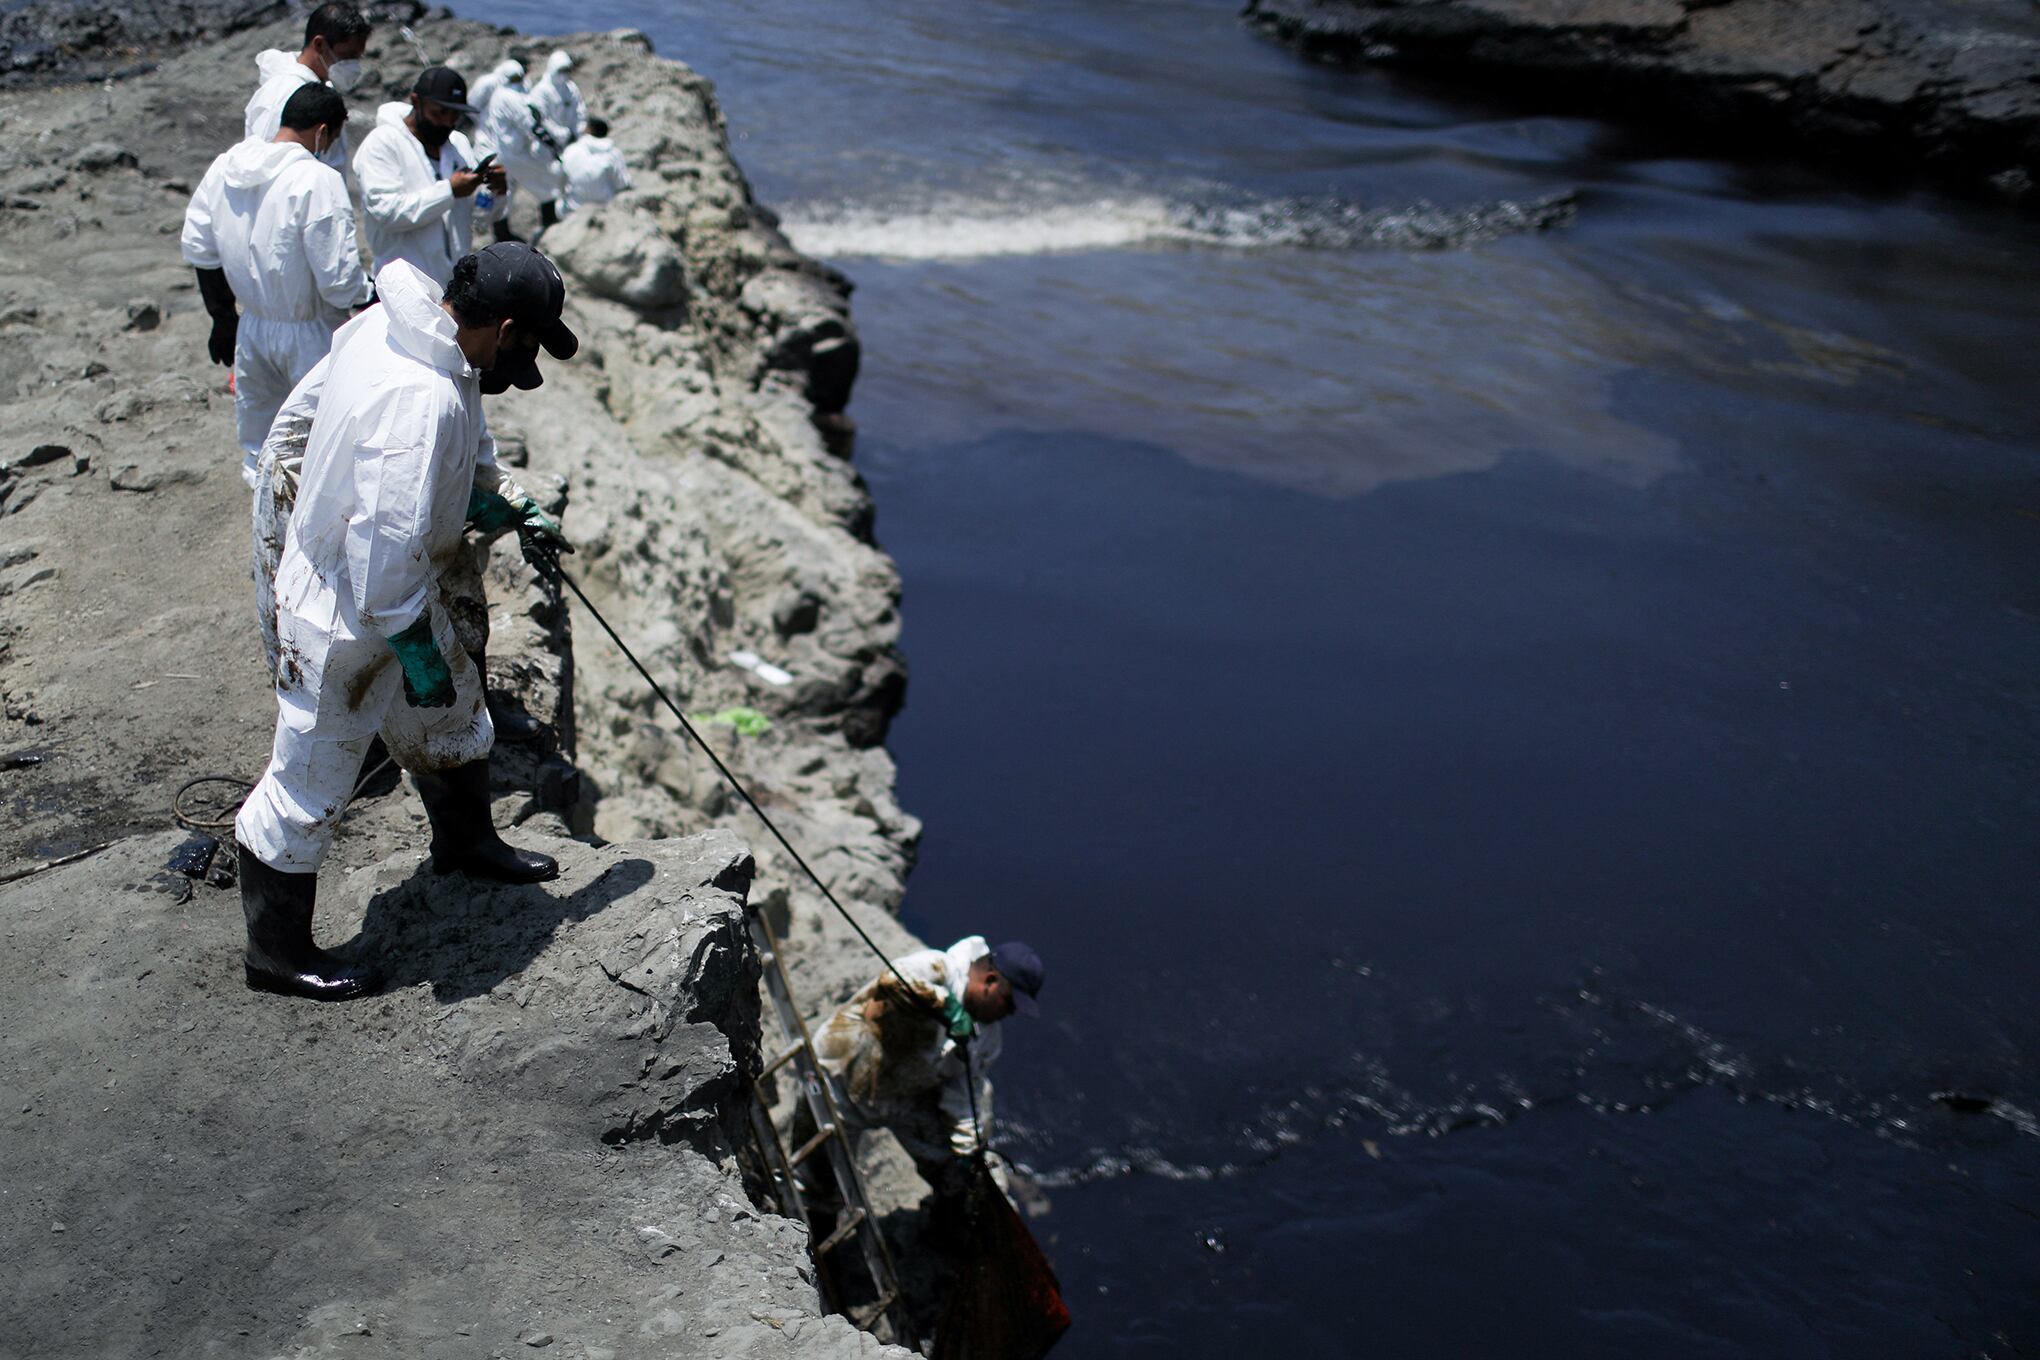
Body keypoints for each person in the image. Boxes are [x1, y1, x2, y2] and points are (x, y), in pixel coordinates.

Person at [232, 243, 578, 1001]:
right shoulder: (417, 397)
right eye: (526, 344)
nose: (524, 364)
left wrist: (503, 499)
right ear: (507, 324)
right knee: (308, 783)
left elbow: (450, 455)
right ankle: (277, 954)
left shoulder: (406, 333)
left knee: (454, 716)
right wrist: (415, 649)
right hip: (346, 617)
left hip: (393, 597)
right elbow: (384, 550)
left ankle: (466, 843)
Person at [251, 346, 550, 741]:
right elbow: (387, 519)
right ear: (503, 333)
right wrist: (413, 643)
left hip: (383, 487)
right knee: (337, 634)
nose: (505, 383)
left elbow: (470, 446)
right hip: (313, 482)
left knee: (458, 589)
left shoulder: (458, 358)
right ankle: (352, 741)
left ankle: (475, 710)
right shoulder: (418, 385)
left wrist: (514, 501)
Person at [182, 84, 372, 488]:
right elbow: (338, 281)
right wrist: (367, 294)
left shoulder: (225, 167)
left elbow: (200, 247)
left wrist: (221, 316)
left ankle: (267, 535)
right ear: (323, 131)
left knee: (260, 446)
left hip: (251, 329)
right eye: (334, 138)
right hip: (312, 333)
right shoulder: (317, 180)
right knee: (322, 448)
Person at [807, 937, 1044, 1204]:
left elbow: (965, 1087)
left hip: (900, 1098)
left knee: (953, 1170)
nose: (1009, 1013)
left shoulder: (989, 1038)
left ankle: (950, 1217)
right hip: (839, 1079)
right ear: (990, 981)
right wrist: (947, 1007)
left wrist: (966, 1148)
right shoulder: (941, 968)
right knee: (819, 1185)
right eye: (1008, 1003)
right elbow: (893, 980)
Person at [355, 66, 510, 284]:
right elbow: (387, 212)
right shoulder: (383, 143)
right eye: (439, 112)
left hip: (451, 288)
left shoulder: (458, 144)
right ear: (416, 101)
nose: (447, 122)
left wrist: (496, 191)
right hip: (402, 288)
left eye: (455, 115)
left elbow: (480, 218)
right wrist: (449, 191)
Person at [243, 3, 371, 148]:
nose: (354, 65)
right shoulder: (282, 93)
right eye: (347, 55)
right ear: (319, 45)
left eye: (357, 58)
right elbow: (268, 160)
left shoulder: (324, 90)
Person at [480, 64, 567, 231]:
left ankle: (502, 235)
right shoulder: (509, 97)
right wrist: (552, 144)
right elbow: (529, 124)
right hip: (515, 153)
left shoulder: (499, 95)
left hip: (505, 152)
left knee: (505, 195)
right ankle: (550, 224)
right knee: (547, 184)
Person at [561, 116, 630, 213]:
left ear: (588, 130)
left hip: (574, 209)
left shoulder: (570, 150)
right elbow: (622, 184)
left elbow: (560, 182)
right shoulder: (613, 152)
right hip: (606, 207)